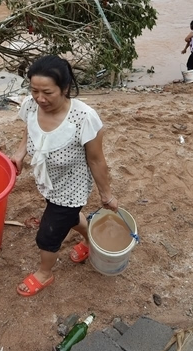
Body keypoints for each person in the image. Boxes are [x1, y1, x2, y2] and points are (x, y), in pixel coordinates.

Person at [10, 56, 118, 297]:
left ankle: (45, 273)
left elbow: (97, 160)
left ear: (65, 88)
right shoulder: (31, 105)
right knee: (67, 217)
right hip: (48, 182)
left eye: (47, 92)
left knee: (48, 234)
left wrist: (107, 195)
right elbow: (30, 128)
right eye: (34, 90)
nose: (40, 98)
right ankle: (92, 241)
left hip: (72, 189)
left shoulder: (84, 118)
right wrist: (20, 154)